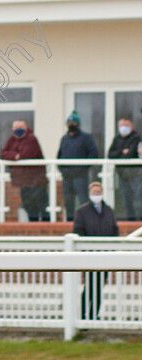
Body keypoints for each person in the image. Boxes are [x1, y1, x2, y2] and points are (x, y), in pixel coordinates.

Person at [72, 182, 119, 320]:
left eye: (99, 191)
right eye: (94, 191)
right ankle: (83, 315)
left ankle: (93, 315)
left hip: (104, 256)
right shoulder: (82, 211)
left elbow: (114, 230)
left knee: (99, 288)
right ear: (89, 193)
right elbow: (78, 231)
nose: (96, 194)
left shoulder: (108, 210)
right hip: (90, 256)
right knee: (89, 287)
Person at [1, 120, 48, 221]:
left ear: (26, 128)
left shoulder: (31, 139)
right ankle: (33, 225)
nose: (18, 130)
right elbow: (3, 154)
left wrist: (16, 155)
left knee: (41, 204)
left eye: (21, 127)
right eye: (16, 127)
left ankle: (45, 226)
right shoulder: (11, 140)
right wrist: (15, 155)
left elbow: (27, 154)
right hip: (23, 181)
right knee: (28, 205)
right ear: (12, 129)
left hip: (37, 180)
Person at [58, 111, 99, 221]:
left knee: (83, 201)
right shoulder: (64, 139)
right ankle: (70, 222)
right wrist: (62, 170)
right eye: (69, 122)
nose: (71, 125)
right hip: (67, 177)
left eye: (73, 123)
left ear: (78, 124)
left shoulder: (86, 138)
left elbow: (93, 155)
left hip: (81, 176)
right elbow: (59, 156)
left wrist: (82, 168)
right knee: (68, 202)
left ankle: (85, 222)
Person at [108, 118, 142, 221]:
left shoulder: (135, 138)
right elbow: (110, 155)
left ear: (131, 127)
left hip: (135, 175)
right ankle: (130, 221)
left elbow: (130, 154)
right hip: (122, 176)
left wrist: (121, 154)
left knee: (138, 200)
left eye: (126, 125)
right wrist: (122, 151)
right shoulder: (117, 139)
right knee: (126, 201)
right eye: (121, 126)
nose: (123, 128)